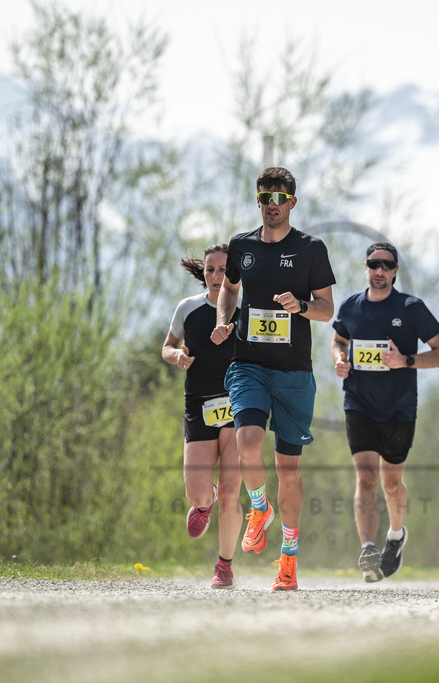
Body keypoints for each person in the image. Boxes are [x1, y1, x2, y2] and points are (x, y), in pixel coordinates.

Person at [211, 167, 336, 591]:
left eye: (280, 198)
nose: (272, 205)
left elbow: (326, 309)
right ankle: (258, 508)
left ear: (293, 203)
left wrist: (300, 306)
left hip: (294, 374)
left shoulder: (311, 249)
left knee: (288, 472)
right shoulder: (242, 246)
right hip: (249, 363)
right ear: (258, 201)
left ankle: (288, 557)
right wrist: (224, 320)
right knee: (247, 441)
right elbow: (230, 288)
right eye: (265, 198)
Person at [331, 242, 439, 583]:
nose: (379, 271)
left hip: (399, 408)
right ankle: (368, 549)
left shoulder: (411, 308)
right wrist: (338, 360)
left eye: (386, 265)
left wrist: (406, 360)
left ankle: (395, 537)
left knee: (392, 482)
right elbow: (338, 340)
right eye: (373, 264)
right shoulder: (351, 306)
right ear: (366, 267)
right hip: (359, 402)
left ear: (395, 271)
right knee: (366, 478)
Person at [162, 244, 242, 588]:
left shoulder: (247, 307)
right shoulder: (189, 308)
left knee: (230, 493)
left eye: (223, 269)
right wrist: (177, 355)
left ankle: (224, 565)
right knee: (199, 496)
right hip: (199, 405)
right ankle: (202, 500)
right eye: (210, 270)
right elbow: (167, 346)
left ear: (233, 273)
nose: (215, 276)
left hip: (240, 405)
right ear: (204, 273)